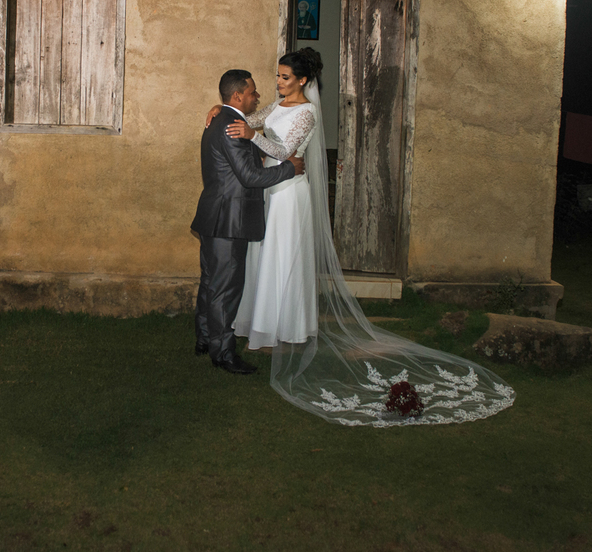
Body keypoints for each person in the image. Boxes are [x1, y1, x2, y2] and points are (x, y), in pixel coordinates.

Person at [207, 49, 515, 425]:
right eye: (277, 76)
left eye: (285, 77)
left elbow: (285, 151)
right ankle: (263, 326)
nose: (278, 82)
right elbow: (245, 118)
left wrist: (254, 135)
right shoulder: (275, 106)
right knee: (264, 258)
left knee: (283, 258)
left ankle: (285, 329)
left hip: (289, 194)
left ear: (303, 80)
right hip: (269, 190)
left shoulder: (308, 112)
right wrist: (219, 111)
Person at [191, 70, 304, 375]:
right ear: (238, 96)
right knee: (225, 289)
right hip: (228, 219)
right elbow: (250, 176)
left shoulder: (224, 120)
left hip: (215, 214)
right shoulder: (230, 126)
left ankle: (205, 338)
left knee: (211, 284)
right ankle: (223, 353)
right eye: (253, 92)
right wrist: (289, 169)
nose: (257, 96)